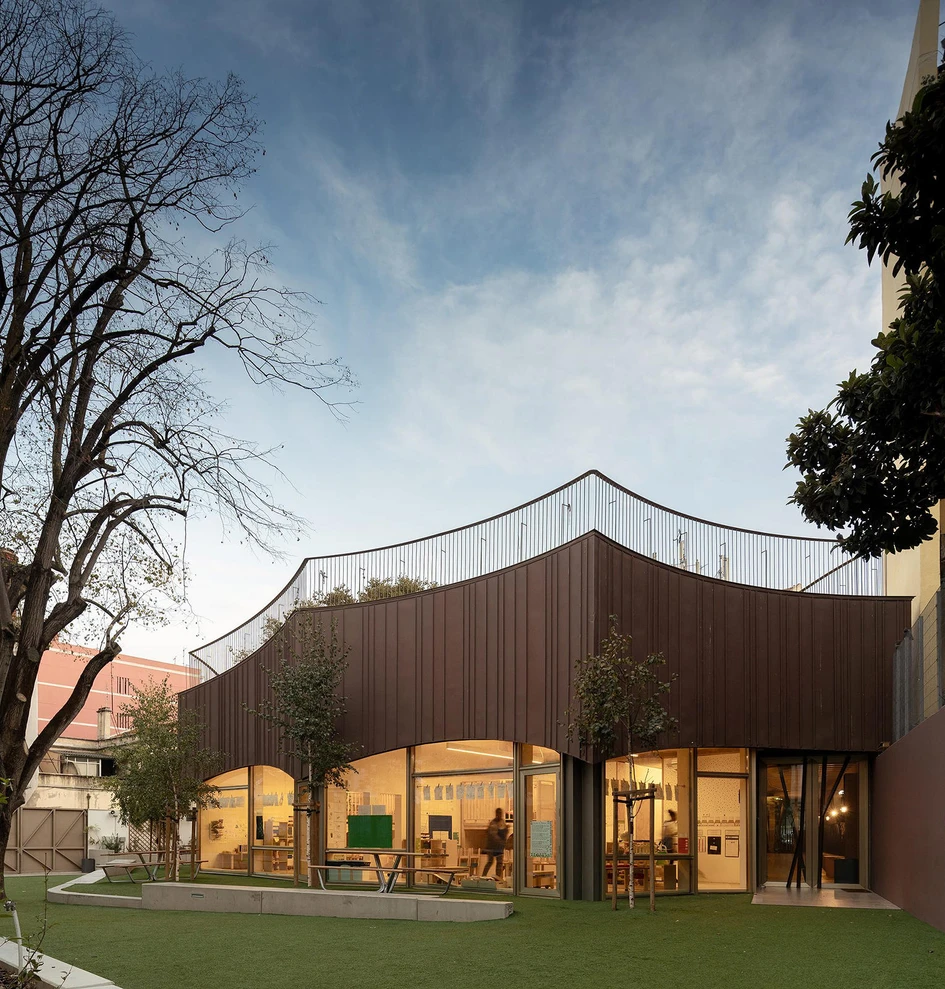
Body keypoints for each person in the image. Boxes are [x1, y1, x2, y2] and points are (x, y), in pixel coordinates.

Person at [481, 807, 509, 881]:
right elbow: (493, 835)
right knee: (490, 862)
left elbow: (504, 832)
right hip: (492, 847)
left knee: (499, 863)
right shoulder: (493, 823)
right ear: (496, 814)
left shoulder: (502, 822)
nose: (500, 815)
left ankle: (497, 878)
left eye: (501, 813)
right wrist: (501, 841)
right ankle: (483, 876)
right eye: (499, 813)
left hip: (499, 847)